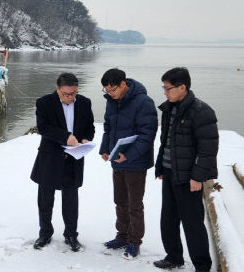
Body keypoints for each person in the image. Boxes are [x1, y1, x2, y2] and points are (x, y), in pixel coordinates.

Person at [153, 67, 218, 272]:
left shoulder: (201, 111)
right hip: (170, 172)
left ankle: (202, 265)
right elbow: (167, 141)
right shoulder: (169, 109)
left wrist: (197, 177)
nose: (165, 92)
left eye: (168, 88)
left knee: (193, 222)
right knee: (168, 219)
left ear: (183, 87)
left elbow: (207, 149)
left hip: (189, 177)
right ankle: (173, 257)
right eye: (164, 87)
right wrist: (161, 167)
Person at [30, 73, 95, 252]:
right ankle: (45, 233)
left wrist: (84, 138)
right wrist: (66, 136)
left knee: (71, 199)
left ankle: (71, 235)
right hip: (50, 157)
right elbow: (43, 128)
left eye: (74, 93)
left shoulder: (84, 102)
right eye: (67, 94)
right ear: (58, 89)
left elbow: (90, 126)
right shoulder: (44, 103)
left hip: (73, 158)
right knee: (45, 199)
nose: (71, 97)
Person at [99, 68, 157, 259]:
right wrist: (105, 149)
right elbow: (108, 127)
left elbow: (147, 135)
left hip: (136, 163)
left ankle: (134, 242)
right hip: (117, 160)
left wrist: (129, 155)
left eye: (112, 90)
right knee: (120, 201)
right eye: (106, 91)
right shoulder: (111, 101)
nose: (110, 94)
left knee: (134, 204)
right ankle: (122, 235)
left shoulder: (144, 102)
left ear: (123, 84)